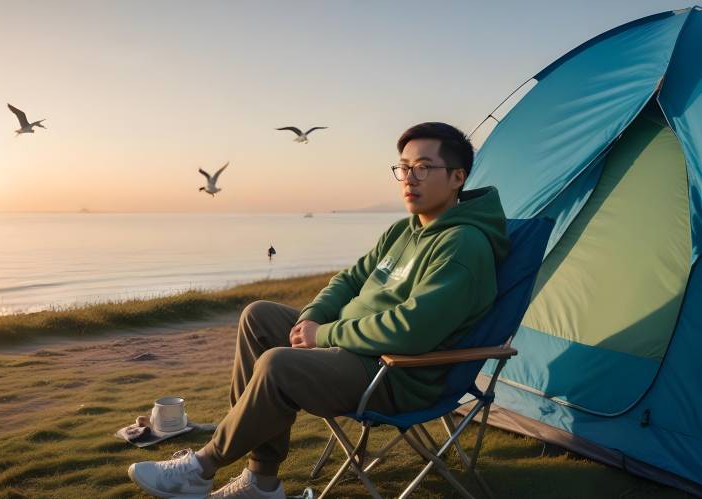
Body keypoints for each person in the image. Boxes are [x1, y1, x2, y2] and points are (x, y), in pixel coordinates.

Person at [128, 122, 510, 498]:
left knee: (279, 364)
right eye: (404, 167)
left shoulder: (463, 245)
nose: (409, 178)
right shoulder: (402, 231)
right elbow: (349, 280)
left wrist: (323, 335)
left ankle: (202, 467)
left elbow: (411, 330)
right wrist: (312, 318)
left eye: (423, 167)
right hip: (354, 351)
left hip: (397, 373)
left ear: (457, 177)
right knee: (258, 316)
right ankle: (261, 481)